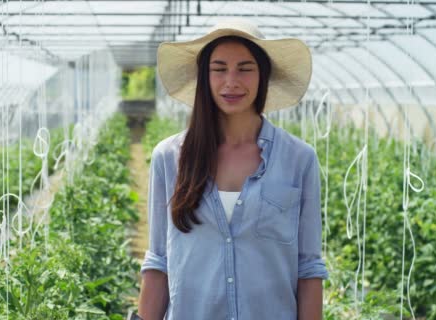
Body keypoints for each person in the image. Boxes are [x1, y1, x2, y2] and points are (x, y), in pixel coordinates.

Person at [136, 19, 328, 320]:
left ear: (263, 75)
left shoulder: (298, 160)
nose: (232, 81)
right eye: (219, 68)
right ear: (205, 76)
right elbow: (159, 261)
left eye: (245, 68)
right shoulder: (169, 158)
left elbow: (309, 268)